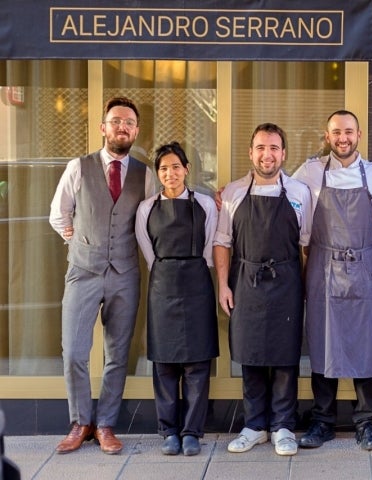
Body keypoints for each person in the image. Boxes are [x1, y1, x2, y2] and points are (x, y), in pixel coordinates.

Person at [49, 96, 156, 454]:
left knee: (117, 354)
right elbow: (58, 214)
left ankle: (106, 425)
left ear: (136, 130)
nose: (122, 127)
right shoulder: (78, 166)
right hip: (83, 271)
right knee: (74, 351)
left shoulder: (146, 174)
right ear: (103, 127)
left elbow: (155, 218)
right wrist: (78, 240)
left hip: (125, 272)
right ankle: (80, 422)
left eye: (128, 122)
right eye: (115, 121)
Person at [292, 110, 372, 452]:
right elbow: (287, 197)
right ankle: (322, 421)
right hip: (323, 264)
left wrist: (371, 224)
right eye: (336, 132)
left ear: (359, 134)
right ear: (327, 136)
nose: (343, 138)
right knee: (324, 341)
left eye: (348, 132)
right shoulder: (310, 171)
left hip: (364, 265)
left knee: (367, 342)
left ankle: (366, 422)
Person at [214, 123, 312, 457]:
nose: (267, 154)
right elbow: (222, 242)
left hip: (287, 280)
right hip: (246, 278)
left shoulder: (299, 193)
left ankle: (284, 426)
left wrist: (306, 288)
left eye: (273, 148)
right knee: (250, 354)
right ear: (250, 152)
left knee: (286, 357)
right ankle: (254, 425)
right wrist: (223, 285)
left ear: (284, 154)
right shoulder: (233, 194)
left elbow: (306, 244)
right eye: (260, 147)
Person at [135, 142, 219, 456]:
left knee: (198, 363)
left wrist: (194, 266)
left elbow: (210, 248)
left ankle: (192, 432)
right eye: (163, 168)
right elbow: (148, 252)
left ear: (186, 169)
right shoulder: (146, 208)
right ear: (158, 174)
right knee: (165, 363)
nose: (170, 173)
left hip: (198, 282)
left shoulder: (206, 205)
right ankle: (168, 431)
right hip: (162, 284)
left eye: (175, 167)